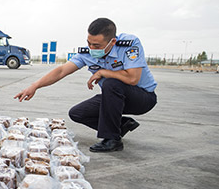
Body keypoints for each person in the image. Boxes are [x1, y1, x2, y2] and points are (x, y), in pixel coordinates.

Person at [14, 18, 157, 152]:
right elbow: (61, 71)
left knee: (111, 83)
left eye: (97, 45)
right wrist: (35, 86)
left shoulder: (129, 44)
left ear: (112, 42)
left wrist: (103, 72)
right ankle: (122, 125)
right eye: (89, 43)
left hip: (142, 98)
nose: (91, 48)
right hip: (114, 98)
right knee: (77, 113)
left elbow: (133, 79)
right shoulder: (87, 53)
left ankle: (113, 140)